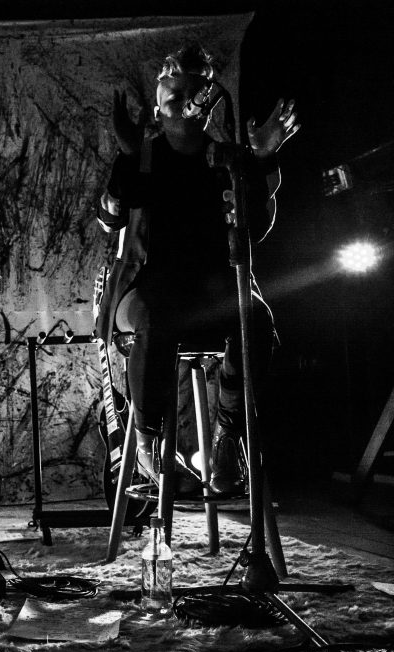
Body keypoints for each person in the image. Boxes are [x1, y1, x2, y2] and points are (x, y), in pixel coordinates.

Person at [95, 45, 300, 496]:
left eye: (194, 92)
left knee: (257, 318)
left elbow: (255, 229)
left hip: (209, 292)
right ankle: (147, 441)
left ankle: (228, 437)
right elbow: (110, 218)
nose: (186, 100)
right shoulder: (144, 158)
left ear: (207, 103)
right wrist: (126, 158)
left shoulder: (225, 158)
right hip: (144, 290)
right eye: (174, 94)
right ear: (157, 109)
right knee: (158, 315)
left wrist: (261, 159)